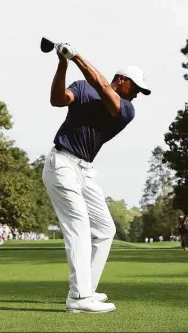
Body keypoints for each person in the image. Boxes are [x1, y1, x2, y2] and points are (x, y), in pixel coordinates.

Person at [42, 45, 151, 313]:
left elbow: (104, 89)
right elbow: (57, 100)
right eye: (135, 88)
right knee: (79, 227)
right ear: (122, 80)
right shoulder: (82, 87)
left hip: (85, 170)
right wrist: (62, 63)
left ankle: (85, 289)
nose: (136, 95)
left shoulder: (126, 109)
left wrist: (75, 55)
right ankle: (79, 298)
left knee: (105, 229)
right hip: (62, 163)